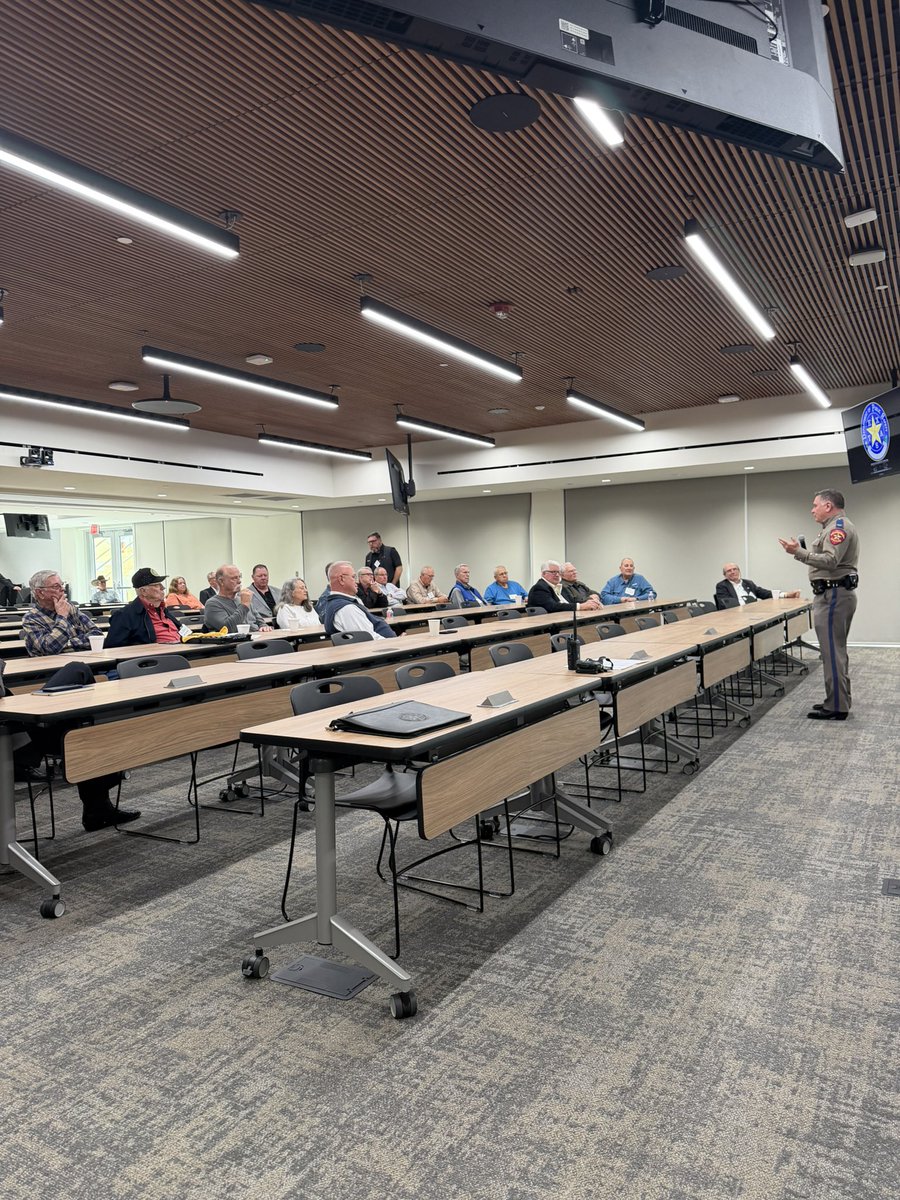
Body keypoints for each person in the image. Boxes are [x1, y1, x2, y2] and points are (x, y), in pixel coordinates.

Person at [779, 488, 859, 721]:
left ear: (828, 506)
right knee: (835, 652)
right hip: (833, 595)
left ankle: (837, 707)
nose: (812, 509)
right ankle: (837, 701)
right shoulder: (832, 528)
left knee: (832, 653)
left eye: (815, 505)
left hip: (834, 595)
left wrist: (799, 553)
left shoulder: (838, 528)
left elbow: (830, 561)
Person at [22, 570, 103, 656]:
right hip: (53, 667)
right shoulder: (30, 619)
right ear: (40, 593)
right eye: (56, 586)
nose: (63, 589)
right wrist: (62, 616)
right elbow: (50, 648)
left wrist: (67, 643)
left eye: (62, 584)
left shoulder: (70, 608)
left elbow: (97, 634)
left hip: (84, 660)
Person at [105, 568, 185, 647]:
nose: (163, 588)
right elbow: (112, 649)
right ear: (143, 591)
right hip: (159, 657)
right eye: (157, 585)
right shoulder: (124, 616)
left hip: (184, 651)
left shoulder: (163, 610)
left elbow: (183, 630)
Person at [322, 562, 396, 640]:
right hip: (385, 647)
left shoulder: (342, 603)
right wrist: (396, 641)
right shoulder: (347, 609)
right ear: (341, 579)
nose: (356, 581)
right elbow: (369, 639)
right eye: (353, 577)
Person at [203, 565, 273, 634]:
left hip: (257, 639)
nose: (239, 581)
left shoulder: (242, 599)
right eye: (234, 578)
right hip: (234, 644)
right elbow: (228, 628)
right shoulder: (212, 604)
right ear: (221, 581)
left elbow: (261, 622)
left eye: (239, 577)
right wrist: (244, 605)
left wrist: (264, 627)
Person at [715, 564, 800, 610]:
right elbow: (726, 604)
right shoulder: (722, 586)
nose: (733, 572)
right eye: (729, 571)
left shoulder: (748, 583)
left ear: (739, 571)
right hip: (737, 615)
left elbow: (764, 593)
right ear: (725, 575)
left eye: (735, 569)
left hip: (754, 612)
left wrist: (786, 595)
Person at [528, 561, 601, 613]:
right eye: (553, 572)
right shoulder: (539, 588)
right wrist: (581, 606)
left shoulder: (558, 587)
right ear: (544, 574)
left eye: (558, 572)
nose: (557, 575)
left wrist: (591, 602)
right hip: (550, 625)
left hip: (566, 618)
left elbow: (571, 602)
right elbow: (553, 607)